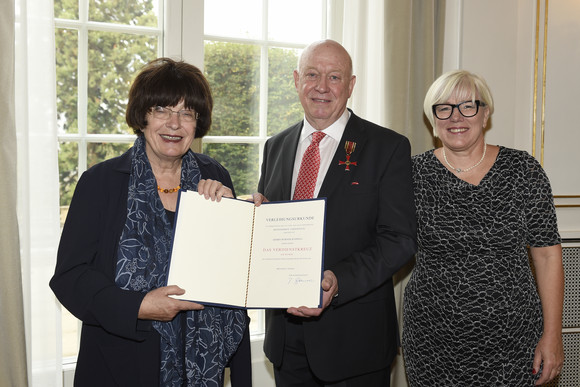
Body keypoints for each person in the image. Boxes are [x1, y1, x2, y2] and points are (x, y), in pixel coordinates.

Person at [50, 58, 251, 387]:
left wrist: (238, 217)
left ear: (196, 122)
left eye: (186, 112)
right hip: (120, 364)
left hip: (205, 365)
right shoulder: (101, 183)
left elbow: (234, 273)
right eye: (161, 109)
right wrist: (139, 306)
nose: (174, 123)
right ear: (142, 116)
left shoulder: (214, 175)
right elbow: (70, 277)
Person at [252, 39, 417, 386]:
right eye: (312, 74)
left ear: (351, 85)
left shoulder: (387, 147)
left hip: (354, 345)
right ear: (296, 80)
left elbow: (399, 241)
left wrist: (338, 281)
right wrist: (254, 221)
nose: (322, 87)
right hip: (286, 343)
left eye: (334, 77)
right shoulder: (275, 146)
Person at [402, 69, 565, 386]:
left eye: (468, 106)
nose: (455, 117)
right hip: (431, 339)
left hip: (513, 340)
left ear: (485, 113)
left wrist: (553, 334)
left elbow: (547, 256)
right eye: (444, 108)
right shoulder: (410, 174)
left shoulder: (523, 170)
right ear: (433, 119)